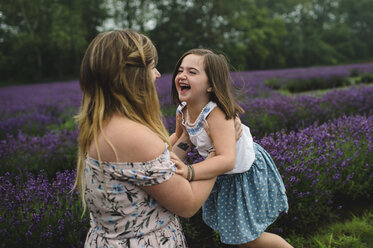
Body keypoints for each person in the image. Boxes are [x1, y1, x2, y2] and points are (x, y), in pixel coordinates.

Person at [73, 30, 242, 247]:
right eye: (152, 67)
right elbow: (188, 204)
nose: (158, 74)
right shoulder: (133, 136)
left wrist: (185, 136)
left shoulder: (101, 124)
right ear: (133, 75)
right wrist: (216, 151)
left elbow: (156, 169)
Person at [170, 48, 292, 248]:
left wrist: (189, 171)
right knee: (239, 237)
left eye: (192, 72)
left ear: (211, 85)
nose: (182, 76)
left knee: (250, 238)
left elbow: (227, 159)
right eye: (180, 70)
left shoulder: (217, 114)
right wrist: (160, 158)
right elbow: (181, 138)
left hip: (243, 174)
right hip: (223, 174)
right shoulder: (182, 110)